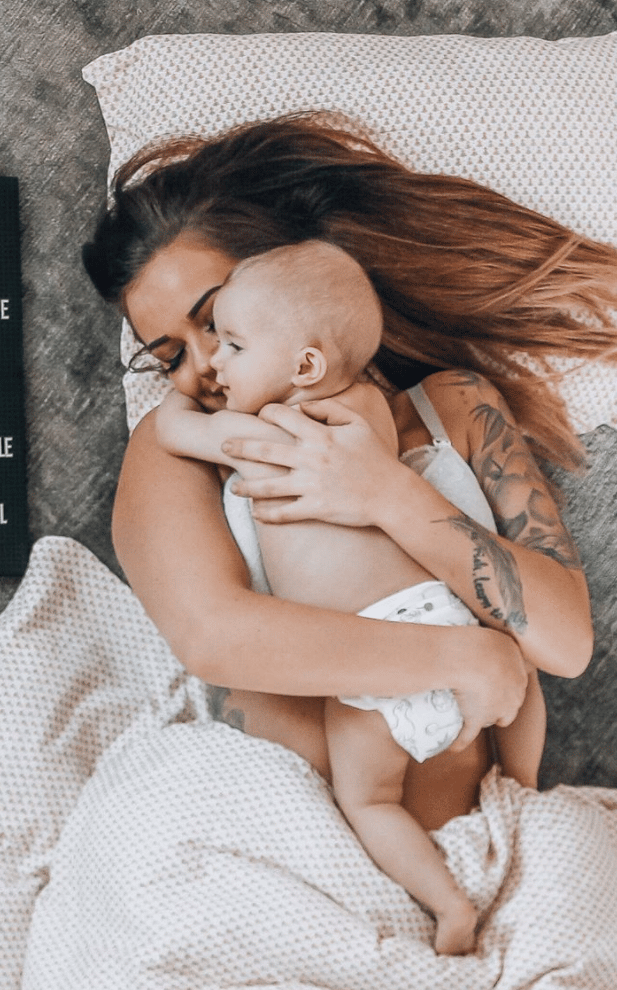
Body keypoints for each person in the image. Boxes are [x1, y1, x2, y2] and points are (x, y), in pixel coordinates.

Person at [82, 112, 609, 867]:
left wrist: (384, 492)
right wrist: (463, 662)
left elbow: (563, 641)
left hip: (472, 843)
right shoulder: (178, 454)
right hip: (275, 842)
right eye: (170, 355)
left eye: (216, 324)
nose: (203, 368)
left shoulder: (452, 407)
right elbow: (215, 636)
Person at [153, 239, 550, 953]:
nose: (211, 365)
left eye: (230, 342)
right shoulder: (365, 410)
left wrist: (169, 412)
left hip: (366, 665)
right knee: (521, 677)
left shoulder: (274, 430)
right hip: (441, 616)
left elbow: (177, 429)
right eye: (173, 357)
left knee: (367, 799)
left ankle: (446, 904)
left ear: (303, 366)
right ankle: (521, 794)